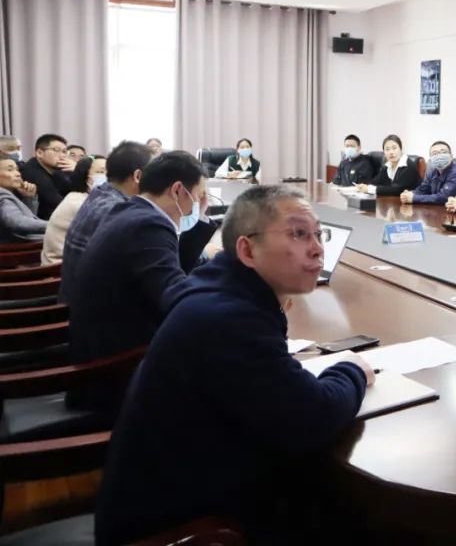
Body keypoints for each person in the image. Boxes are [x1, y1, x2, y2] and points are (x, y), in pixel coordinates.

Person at [95, 185, 373, 546]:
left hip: (185, 488)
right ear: (247, 250)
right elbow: (313, 417)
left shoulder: (220, 290)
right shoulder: (229, 319)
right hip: (178, 527)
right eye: (298, 234)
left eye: (319, 235)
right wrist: (352, 370)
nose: (317, 248)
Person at [66, 150, 217, 413]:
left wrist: (199, 221)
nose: (199, 202)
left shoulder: (131, 211)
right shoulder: (148, 225)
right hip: (115, 375)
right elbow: (177, 299)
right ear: (178, 190)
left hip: (107, 354)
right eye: (199, 195)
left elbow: (169, 277)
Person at [59, 141, 152, 302]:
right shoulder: (118, 211)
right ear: (138, 176)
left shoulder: (99, 195)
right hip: (94, 308)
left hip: (79, 300)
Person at [41, 154, 106, 264]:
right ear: (85, 177)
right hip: (59, 268)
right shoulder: (80, 203)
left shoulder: (85, 197)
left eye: (110, 172)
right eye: (100, 172)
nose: (107, 177)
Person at [19, 133, 75, 220]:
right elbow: (57, 202)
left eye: (64, 151)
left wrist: (77, 171)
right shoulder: (31, 172)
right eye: (56, 150)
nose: (62, 155)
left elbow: (74, 192)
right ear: (39, 153)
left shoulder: (57, 171)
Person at [401, 140, 456, 205]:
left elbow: (443, 197)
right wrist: (411, 194)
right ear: (431, 158)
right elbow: (423, 189)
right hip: (437, 209)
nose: (439, 156)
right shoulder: (432, 170)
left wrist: (414, 198)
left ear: (451, 156)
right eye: (434, 154)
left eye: (443, 152)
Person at [0, 154, 46, 243]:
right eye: (10, 170)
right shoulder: (2, 196)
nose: (18, 174)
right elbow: (18, 223)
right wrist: (54, 225)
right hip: (20, 248)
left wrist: (29, 198)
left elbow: (29, 219)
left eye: (17, 170)